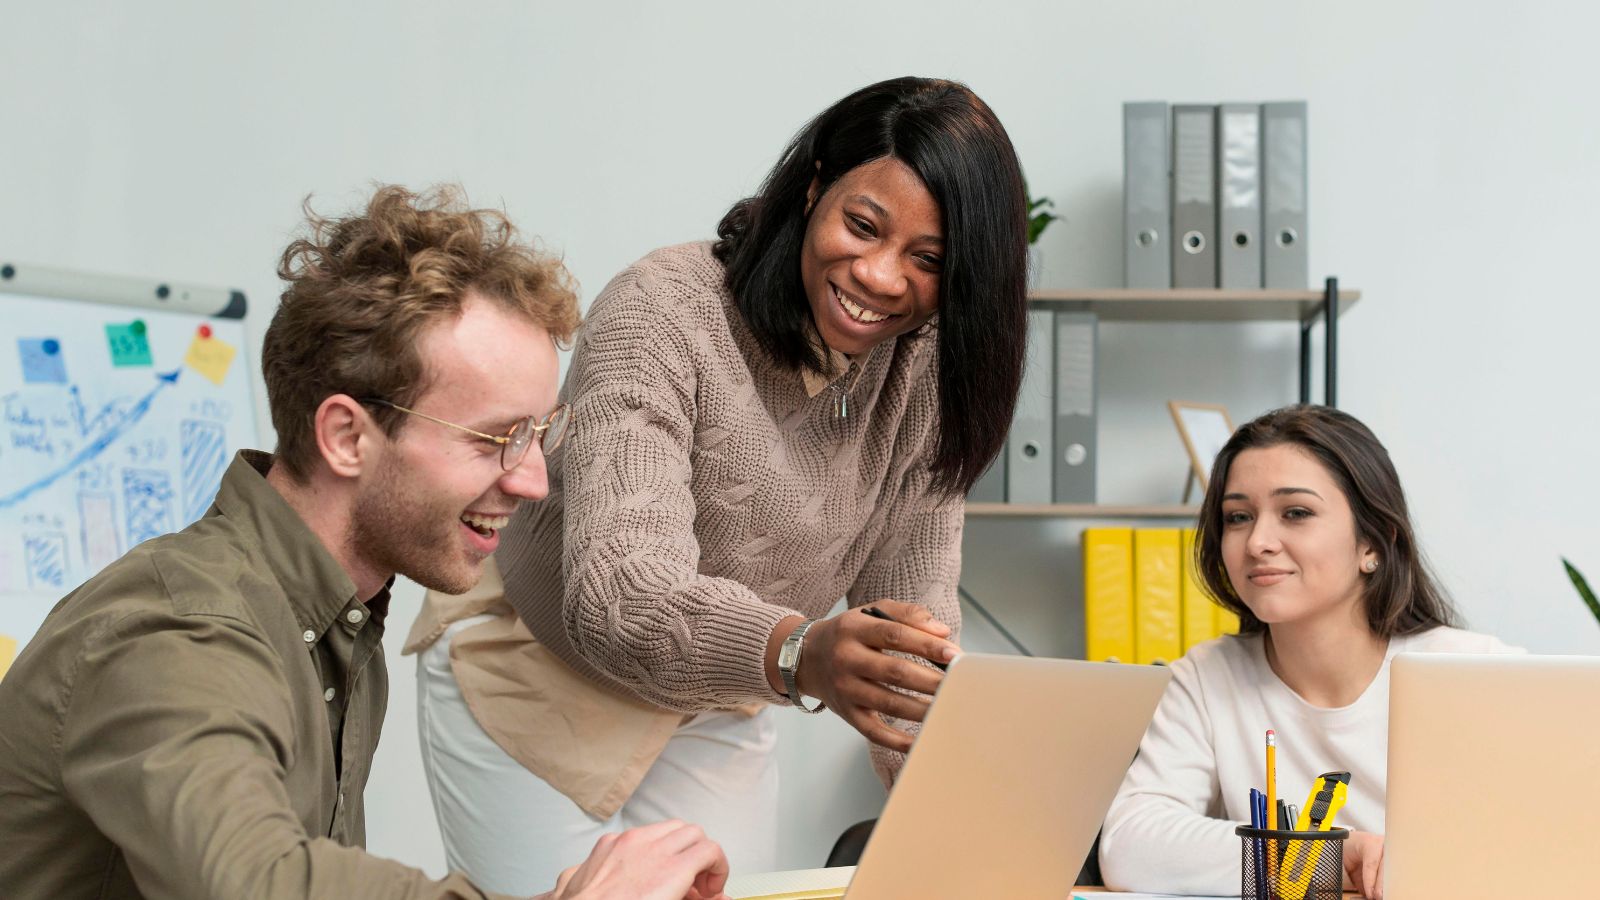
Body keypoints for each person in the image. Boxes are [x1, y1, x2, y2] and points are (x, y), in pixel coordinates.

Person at [0, 185, 730, 900]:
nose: (534, 480)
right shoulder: (178, 631)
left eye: (539, 435)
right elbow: (260, 884)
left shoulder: (337, 622)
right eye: (499, 439)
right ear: (347, 437)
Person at [405, 75, 1031, 891]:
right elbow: (619, 593)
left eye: (928, 260)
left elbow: (914, 613)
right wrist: (804, 653)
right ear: (813, 191)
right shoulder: (664, 311)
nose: (880, 276)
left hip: (722, 695)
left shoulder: (926, 377)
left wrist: (923, 760)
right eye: (862, 225)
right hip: (538, 676)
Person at [1097, 404, 1519, 900]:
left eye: (1295, 512)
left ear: (1374, 544)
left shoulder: (1476, 670)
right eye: (1238, 517)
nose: (1257, 541)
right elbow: (1130, 845)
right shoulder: (1207, 677)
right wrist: (1328, 858)